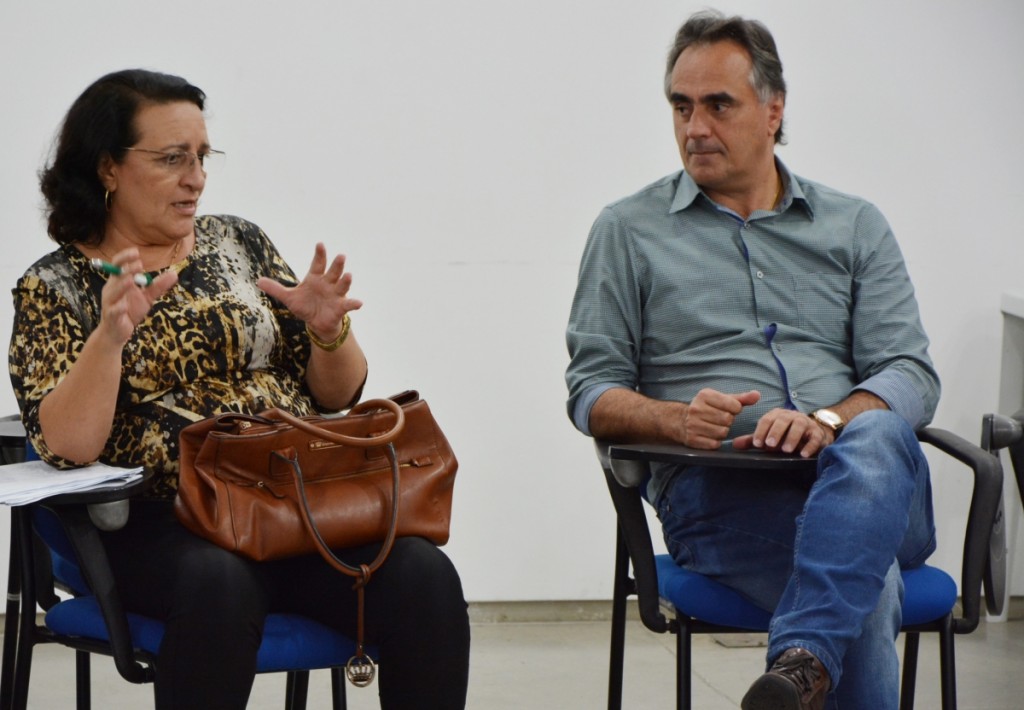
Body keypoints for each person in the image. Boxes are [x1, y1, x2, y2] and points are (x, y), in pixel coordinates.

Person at [8, 69, 470, 710]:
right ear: (108, 167)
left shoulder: (239, 242)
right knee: (220, 583)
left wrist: (329, 333)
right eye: (172, 159)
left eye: (203, 156)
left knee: (423, 575)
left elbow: (335, 396)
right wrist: (110, 338)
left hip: (288, 507)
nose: (196, 178)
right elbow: (68, 446)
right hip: (159, 521)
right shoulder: (57, 285)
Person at [565, 11, 939, 710]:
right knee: (868, 587)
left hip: (870, 486)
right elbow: (590, 391)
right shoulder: (627, 231)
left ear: (774, 111)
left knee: (879, 428)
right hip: (722, 496)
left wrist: (828, 421)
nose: (695, 128)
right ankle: (804, 664)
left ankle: (801, 661)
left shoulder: (855, 226)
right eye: (681, 106)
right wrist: (673, 420)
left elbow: (911, 373)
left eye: (718, 105)